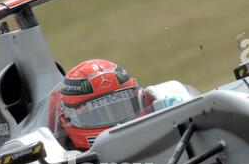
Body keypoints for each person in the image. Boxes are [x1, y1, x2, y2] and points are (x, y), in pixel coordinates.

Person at [48, 58, 190, 150]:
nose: (117, 123)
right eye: (98, 114)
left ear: (142, 99)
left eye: (123, 108)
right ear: (66, 120)